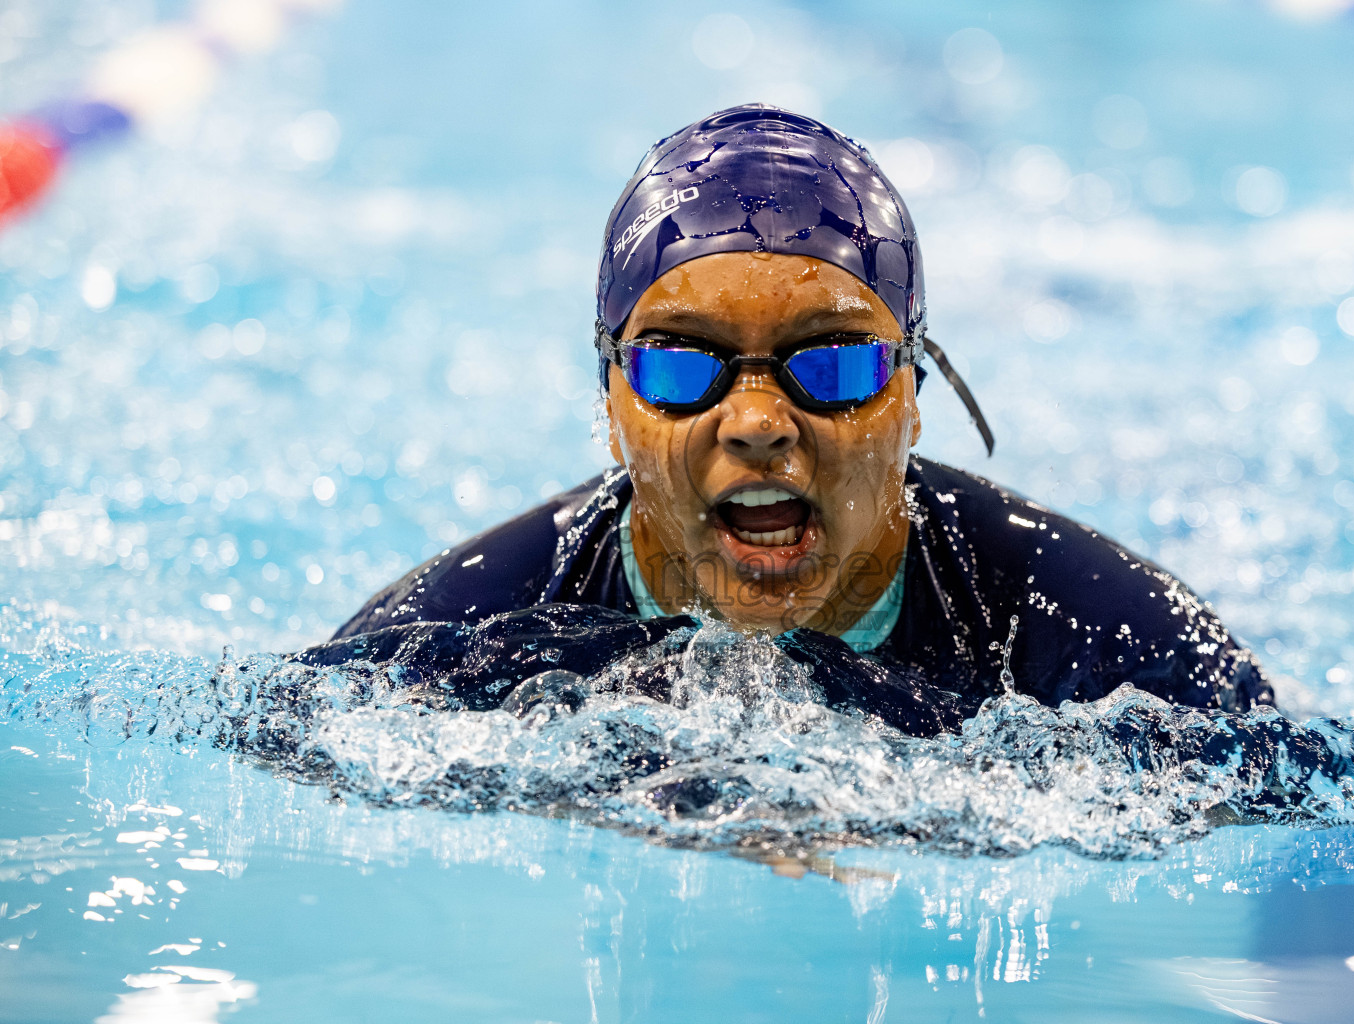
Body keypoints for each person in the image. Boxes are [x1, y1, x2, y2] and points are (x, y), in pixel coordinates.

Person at [321, 105, 1271, 737]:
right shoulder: (471, 626)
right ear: (610, 403)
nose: (758, 421)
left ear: (911, 394)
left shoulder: (1103, 637)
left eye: (833, 363)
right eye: (682, 365)